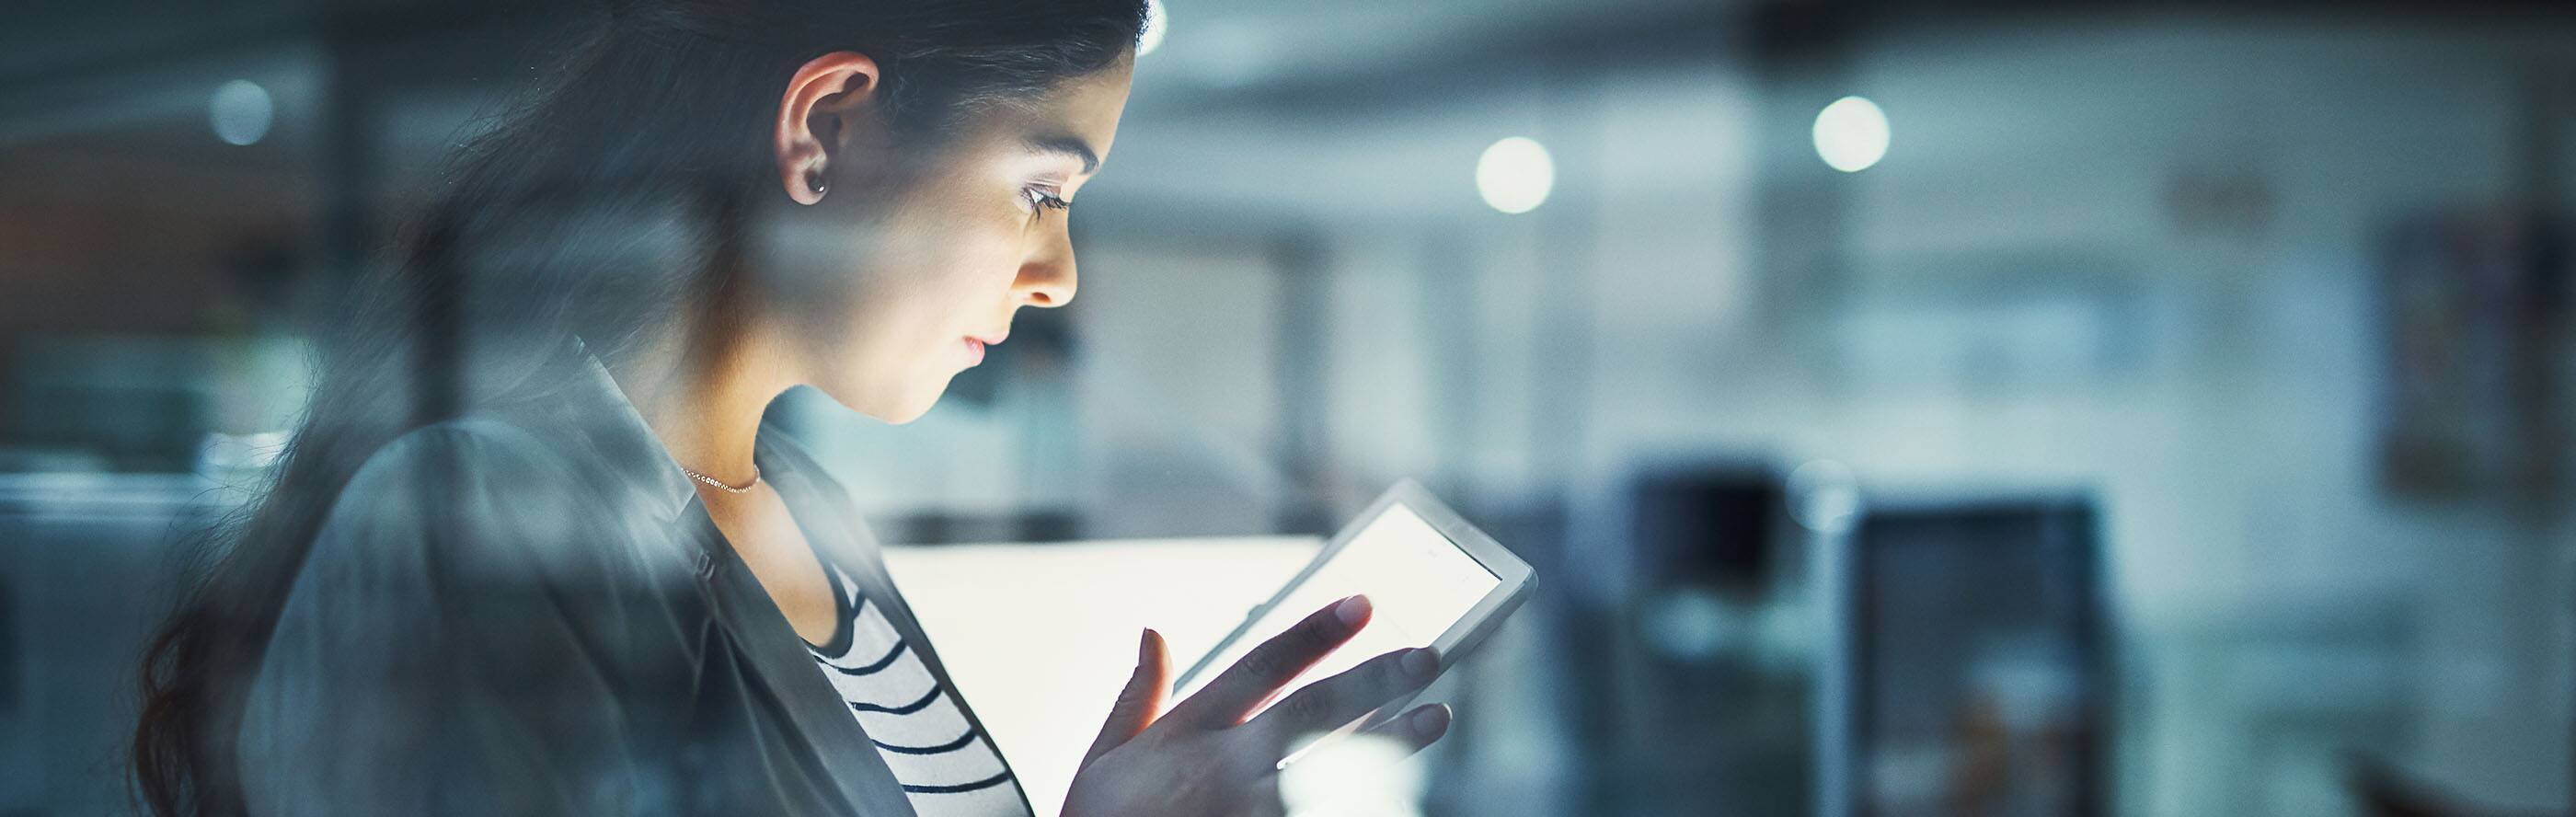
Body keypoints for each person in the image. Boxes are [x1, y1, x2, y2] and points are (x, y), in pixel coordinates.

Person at [129, 1, 1450, 814]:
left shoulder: (801, 514)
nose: (1057, 277)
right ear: (825, 127)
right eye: (1043, 191)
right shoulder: (483, 513)